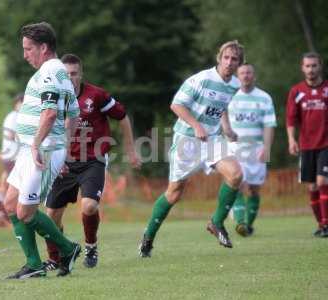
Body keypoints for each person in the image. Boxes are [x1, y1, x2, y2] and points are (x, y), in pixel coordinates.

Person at [139, 40, 244, 257]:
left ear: (239, 63)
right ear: (219, 58)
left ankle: (216, 223)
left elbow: (221, 107)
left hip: (213, 140)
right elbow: (176, 104)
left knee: (235, 175)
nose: (229, 62)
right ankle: (148, 237)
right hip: (187, 141)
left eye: (234, 59)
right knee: (174, 193)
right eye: (226, 57)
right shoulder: (202, 79)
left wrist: (227, 128)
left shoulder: (234, 84)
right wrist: (196, 125)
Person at [43, 54, 141, 270]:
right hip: (64, 162)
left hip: (92, 160)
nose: (70, 77)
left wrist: (130, 149)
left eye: (74, 73)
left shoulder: (96, 95)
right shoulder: (54, 98)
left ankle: (90, 246)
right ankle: (55, 258)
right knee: (51, 217)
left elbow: (122, 116)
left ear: (81, 74)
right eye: (66, 74)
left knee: (89, 206)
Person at [3, 22, 81, 279]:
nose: (25, 55)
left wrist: (41, 145)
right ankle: (34, 265)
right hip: (35, 150)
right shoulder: (59, 73)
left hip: (41, 151)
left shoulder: (50, 72)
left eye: (28, 49)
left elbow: (49, 114)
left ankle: (67, 250)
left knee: (25, 212)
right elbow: (73, 117)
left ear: (44, 47)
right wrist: (66, 150)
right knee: (10, 203)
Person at [228, 64, 277, 236]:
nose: (246, 75)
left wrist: (267, 148)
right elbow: (221, 117)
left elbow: (270, 125)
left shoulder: (264, 98)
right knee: (238, 183)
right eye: (242, 73)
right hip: (236, 147)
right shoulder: (231, 96)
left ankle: (248, 225)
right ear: (237, 76)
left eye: (249, 72)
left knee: (254, 189)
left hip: (257, 148)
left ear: (254, 76)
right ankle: (240, 223)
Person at [286, 52, 328, 238]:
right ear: (302, 68)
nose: (311, 69)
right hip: (306, 145)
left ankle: (326, 224)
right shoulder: (297, 91)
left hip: (326, 144)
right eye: (307, 66)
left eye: (314, 65)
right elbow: (290, 118)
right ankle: (321, 224)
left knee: (322, 182)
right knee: (312, 187)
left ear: (320, 67)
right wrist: (291, 139)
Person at [1, 93, 24, 174]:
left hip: (9, 156)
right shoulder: (15, 116)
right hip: (13, 156)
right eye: (21, 102)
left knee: (8, 181)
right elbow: (10, 135)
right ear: (16, 104)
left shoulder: (12, 115)